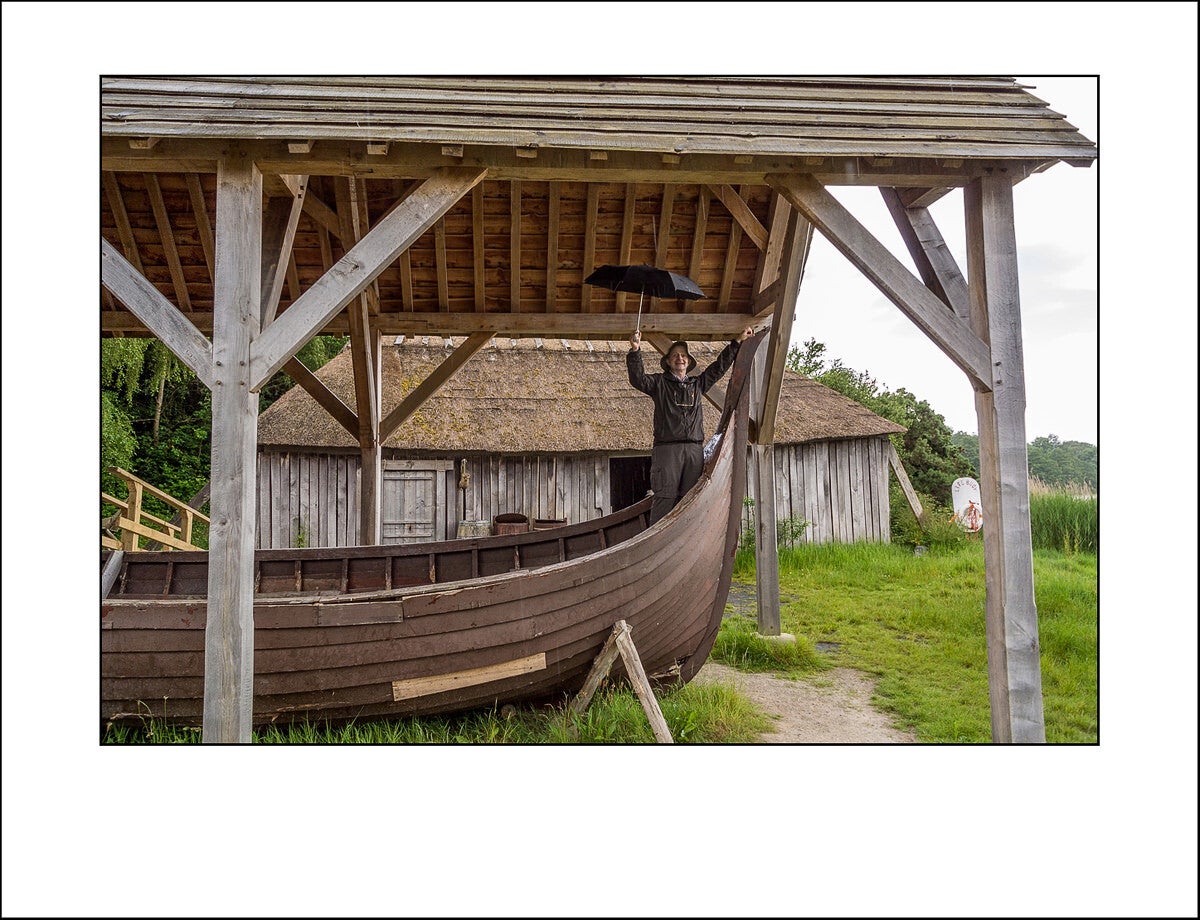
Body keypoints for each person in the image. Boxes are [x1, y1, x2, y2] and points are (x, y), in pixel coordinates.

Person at [627, 327, 754, 524]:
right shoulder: (659, 383)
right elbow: (637, 379)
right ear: (668, 362)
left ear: (688, 361)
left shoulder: (697, 384)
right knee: (665, 497)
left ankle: (684, 536)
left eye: (684, 355)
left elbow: (718, 368)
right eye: (675, 355)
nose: (680, 358)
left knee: (690, 499)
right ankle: (658, 539)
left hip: (694, 451)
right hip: (667, 450)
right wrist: (635, 350)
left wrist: (737, 342)